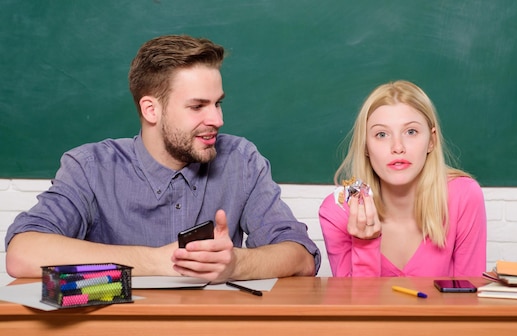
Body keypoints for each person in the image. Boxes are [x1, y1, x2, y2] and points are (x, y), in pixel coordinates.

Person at [5, 34, 320, 282]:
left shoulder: (240, 160)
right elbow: (23, 253)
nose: (217, 119)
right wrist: (159, 261)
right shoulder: (91, 168)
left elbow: (301, 256)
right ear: (150, 110)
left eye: (218, 103)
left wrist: (236, 264)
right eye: (198, 107)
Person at [318, 80, 486, 277]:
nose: (397, 147)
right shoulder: (338, 211)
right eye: (381, 134)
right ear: (365, 146)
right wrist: (365, 244)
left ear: (431, 141)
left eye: (411, 132)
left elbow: (469, 297)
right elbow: (357, 305)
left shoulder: (464, 196)